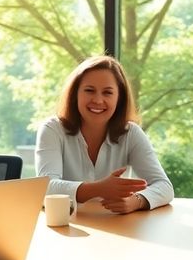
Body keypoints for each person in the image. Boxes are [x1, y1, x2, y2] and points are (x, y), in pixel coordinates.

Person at [35, 55, 173, 214]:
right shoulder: (52, 130)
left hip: (118, 227)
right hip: (67, 227)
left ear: (119, 98)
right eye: (89, 90)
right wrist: (99, 189)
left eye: (107, 93)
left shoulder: (131, 133)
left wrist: (136, 201)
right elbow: (46, 187)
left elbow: (164, 186)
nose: (98, 100)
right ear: (75, 94)